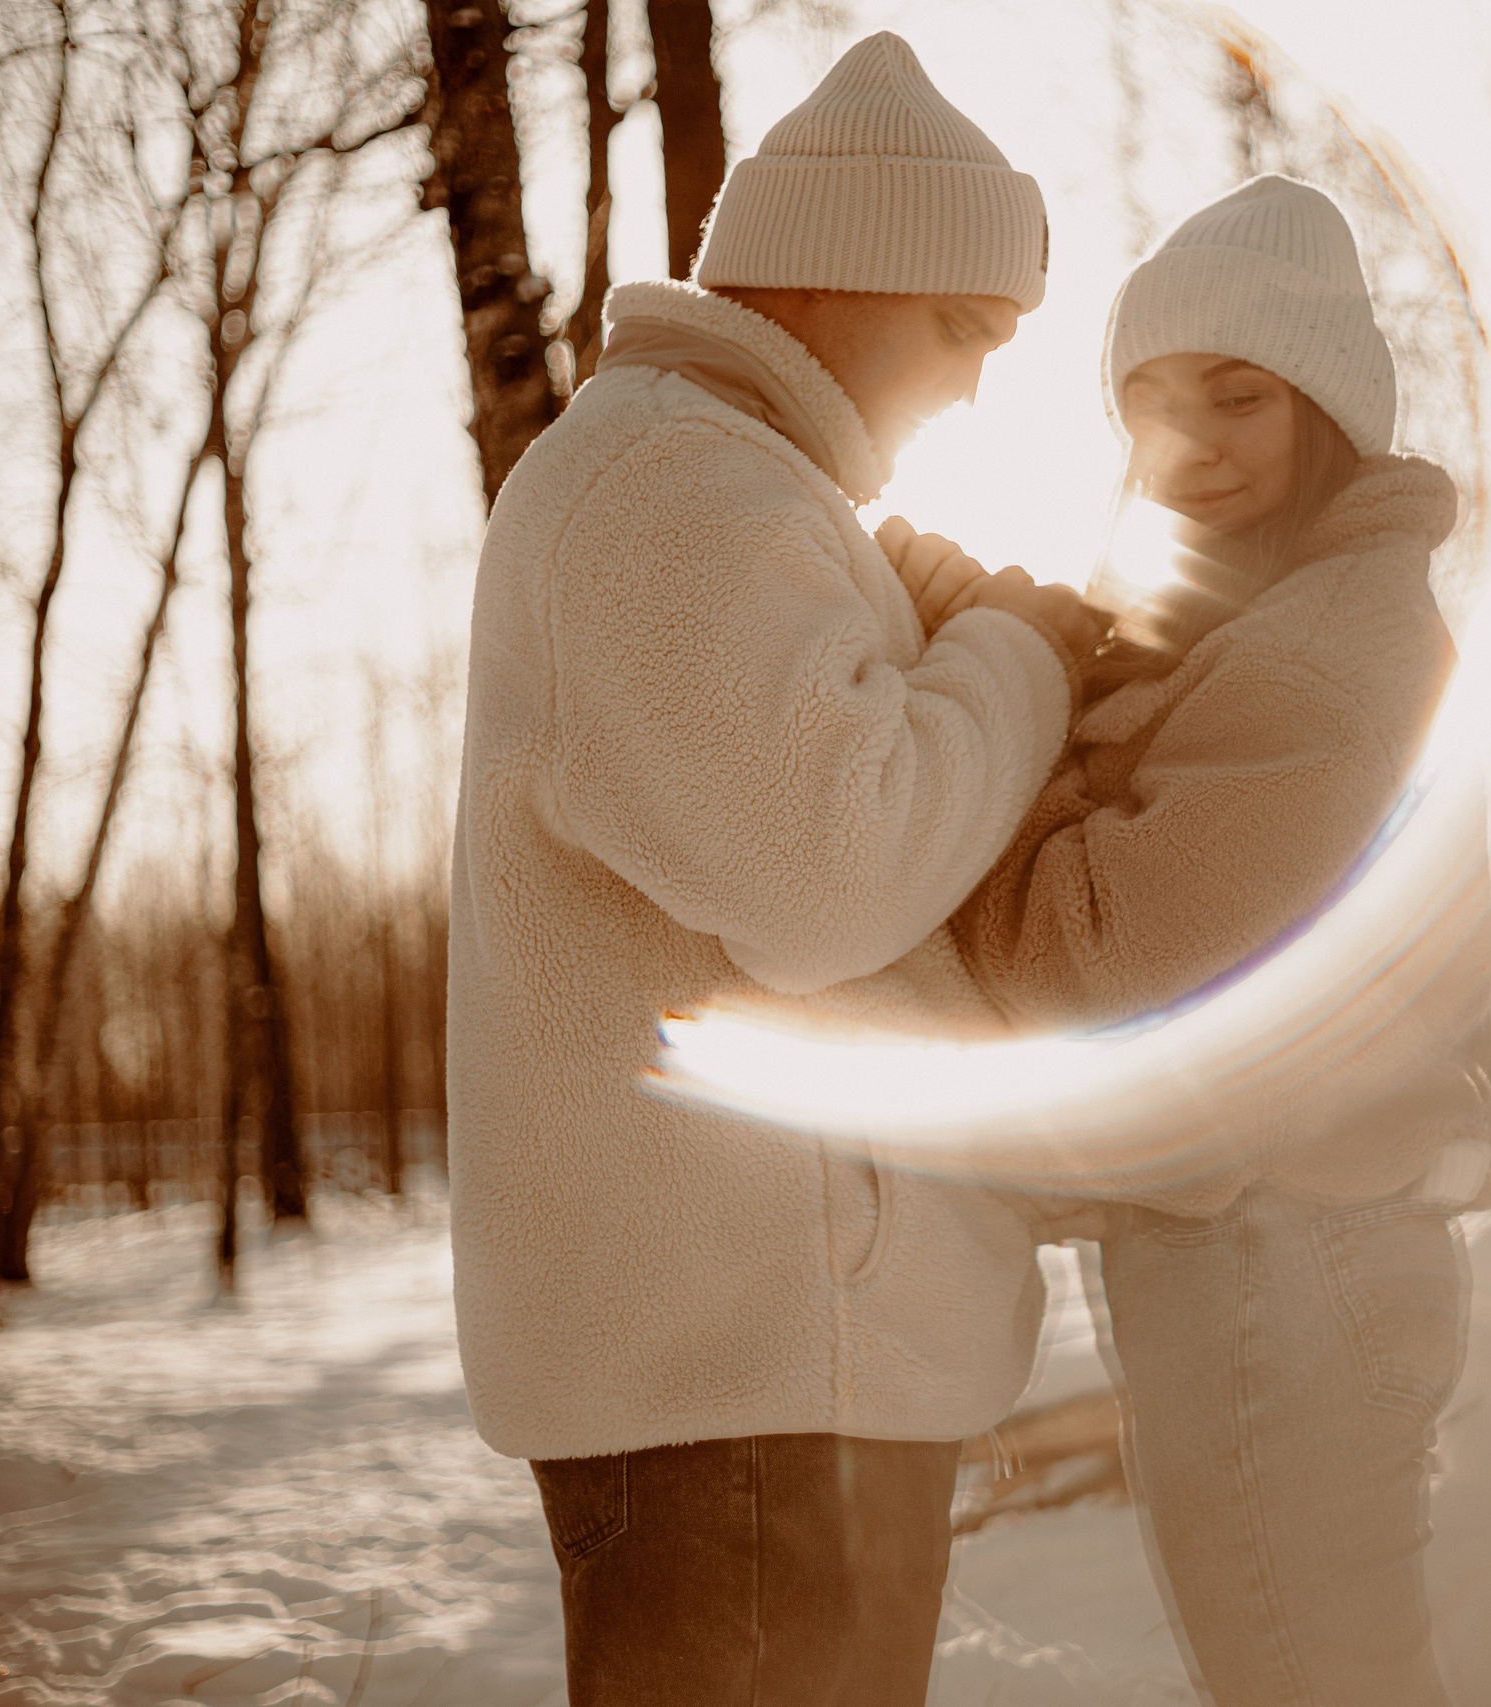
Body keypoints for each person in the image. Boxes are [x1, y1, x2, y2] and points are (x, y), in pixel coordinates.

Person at [444, 34, 1101, 1707]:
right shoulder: (674, 487)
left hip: (777, 1372)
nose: (970, 385)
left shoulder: (728, 491)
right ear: (829, 280)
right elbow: (831, 872)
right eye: (961, 328)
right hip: (741, 1386)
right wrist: (1012, 658)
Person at [941, 175, 1485, 1707]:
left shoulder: (1325, 657)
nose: (1188, 443)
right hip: (1293, 1249)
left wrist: (1004, 748)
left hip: (1282, 1261)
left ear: (1327, 409)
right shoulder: (1281, 619)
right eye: (1153, 404)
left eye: (1237, 398)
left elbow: (1097, 964)